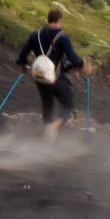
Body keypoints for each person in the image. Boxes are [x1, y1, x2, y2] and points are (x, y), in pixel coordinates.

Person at [16, 8, 88, 143]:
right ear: (60, 21)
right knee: (68, 106)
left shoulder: (35, 35)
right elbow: (73, 58)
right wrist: (82, 65)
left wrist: (24, 65)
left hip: (40, 78)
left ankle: (47, 139)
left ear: (48, 20)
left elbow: (22, 56)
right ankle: (53, 128)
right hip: (56, 78)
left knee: (47, 107)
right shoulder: (62, 37)